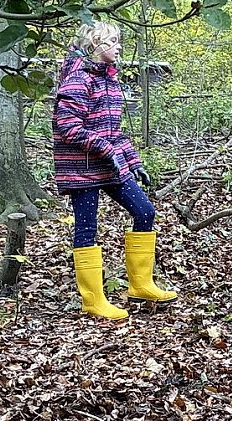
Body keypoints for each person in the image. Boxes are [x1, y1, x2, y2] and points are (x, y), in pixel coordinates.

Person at [53, 21, 177, 320]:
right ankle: (93, 299)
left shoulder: (110, 81)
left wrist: (134, 162)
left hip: (110, 167)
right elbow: (67, 127)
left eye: (118, 40)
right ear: (94, 44)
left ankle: (141, 284)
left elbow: (114, 132)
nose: (118, 46)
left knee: (144, 210)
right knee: (87, 229)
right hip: (81, 169)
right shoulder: (78, 78)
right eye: (112, 41)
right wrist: (108, 150)